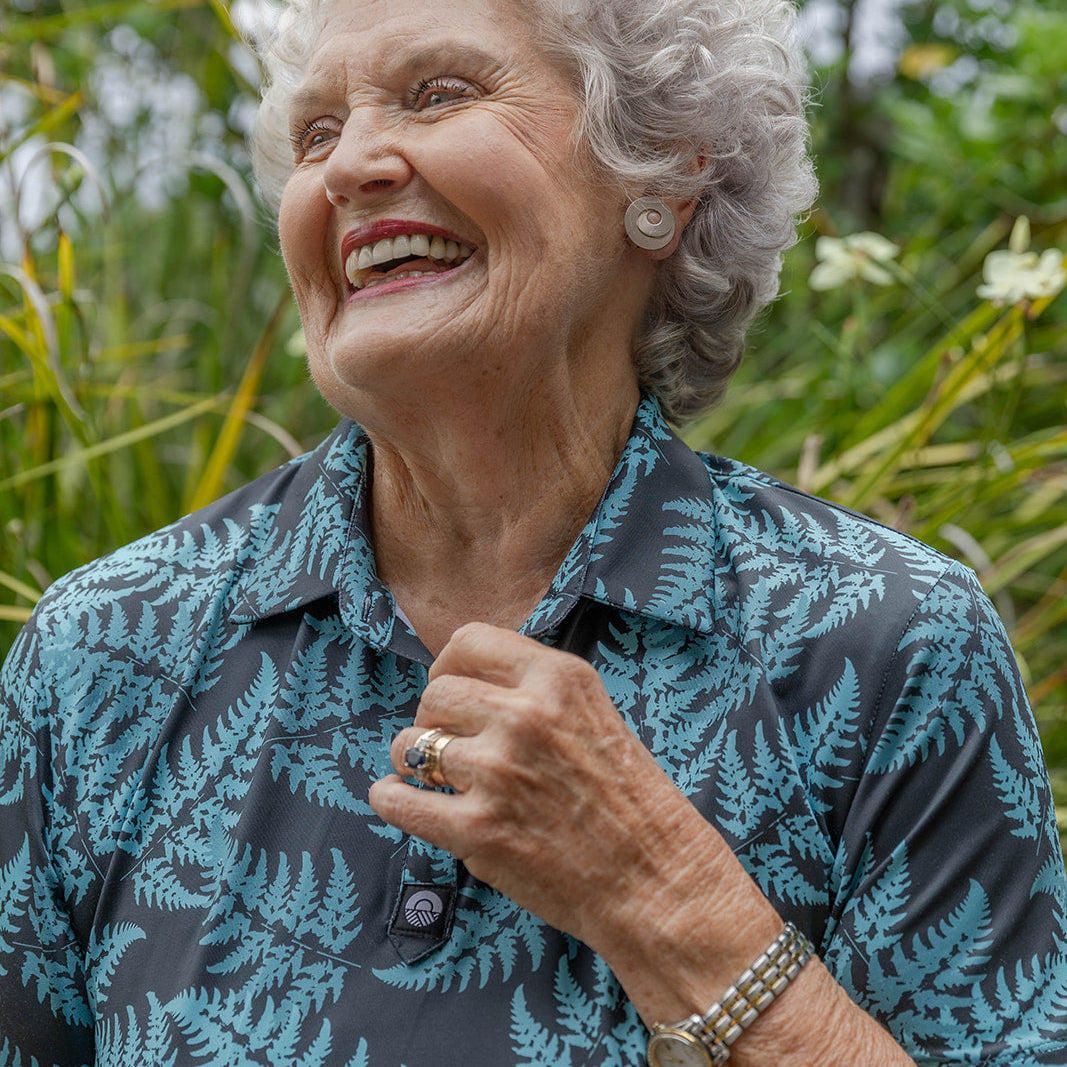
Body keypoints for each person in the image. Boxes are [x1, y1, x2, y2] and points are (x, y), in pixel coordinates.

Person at [1, 0, 1065, 1062]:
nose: (349, 165)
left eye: (438, 94)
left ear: (662, 177)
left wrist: (663, 897)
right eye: (316, 133)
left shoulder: (888, 645)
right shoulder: (104, 651)